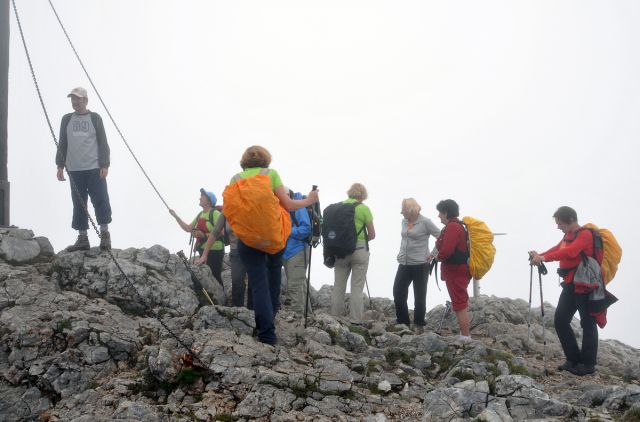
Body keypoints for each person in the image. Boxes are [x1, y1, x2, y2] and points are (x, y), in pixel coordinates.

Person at [226, 146, 318, 346]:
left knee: (258, 284)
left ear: (245, 160)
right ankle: (272, 317)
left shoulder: (235, 179)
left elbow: (230, 210)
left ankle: (266, 334)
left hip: (248, 240)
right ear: (266, 159)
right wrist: (310, 200)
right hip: (274, 238)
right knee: (273, 279)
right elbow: (288, 205)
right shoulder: (271, 174)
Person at [529, 206, 599, 376]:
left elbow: (571, 251)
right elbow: (558, 249)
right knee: (560, 320)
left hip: (585, 285)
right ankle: (573, 359)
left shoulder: (585, 234)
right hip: (570, 284)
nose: (558, 226)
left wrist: (544, 258)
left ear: (570, 220)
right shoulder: (568, 235)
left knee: (588, 323)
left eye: (560, 223)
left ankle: (588, 364)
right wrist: (540, 255)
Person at [56, 87, 112, 251]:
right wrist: (60, 166)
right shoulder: (66, 119)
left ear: (85, 100)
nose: (75, 102)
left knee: (100, 200)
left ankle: (105, 235)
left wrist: (105, 164)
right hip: (74, 169)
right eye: (73, 99)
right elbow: (62, 143)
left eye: (78, 99)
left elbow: (103, 142)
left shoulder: (95, 118)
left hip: (95, 168)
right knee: (78, 203)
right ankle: (82, 238)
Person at [393, 198, 441, 333]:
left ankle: (419, 323)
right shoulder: (404, 221)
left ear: (411, 210)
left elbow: (441, 236)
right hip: (404, 263)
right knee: (398, 291)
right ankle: (402, 321)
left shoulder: (425, 222)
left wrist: (433, 254)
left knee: (419, 294)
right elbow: (405, 239)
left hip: (420, 264)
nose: (401, 212)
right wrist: (400, 253)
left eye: (403, 210)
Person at [331, 183, 375, 324]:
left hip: (341, 250)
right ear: (362, 195)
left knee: (338, 285)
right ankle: (355, 319)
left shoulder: (338, 208)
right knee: (357, 286)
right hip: (359, 250)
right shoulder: (364, 209)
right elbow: (372, 234)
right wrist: (359, 241)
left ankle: (335, 317)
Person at [432, 199, 472, 341]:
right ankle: (465, 335)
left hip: (455, 271)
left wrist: (437, 258)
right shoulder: (455, 226)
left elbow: (447, 250)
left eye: (440, 213)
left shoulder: (452, 227)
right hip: (458, 270)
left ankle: (465, 337)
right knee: (459, 302)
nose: (438, 216)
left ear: (446, 212)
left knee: (459, 304)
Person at [197, 209, 252, 309]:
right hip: (236, 251)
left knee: (254, 281)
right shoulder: (227, 209)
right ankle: (238, 311)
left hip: (254, 250)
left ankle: (254, 312)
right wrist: (204, 254)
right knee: (237, 281)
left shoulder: (251, 203)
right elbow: (215, 232)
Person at [170, 189, 224, 286]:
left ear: (209, 201)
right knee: (207, 277)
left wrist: (204, 235)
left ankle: (220, 298)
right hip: (202, 249)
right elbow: (188, 228)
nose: (200, 198)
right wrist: (176, 217)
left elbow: (222, 232)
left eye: (202, 196)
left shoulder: (215, 213)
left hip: (215, 250)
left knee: (215, 276)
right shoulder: (200, 214)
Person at [283, 189, 312, 315]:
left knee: (294, 286)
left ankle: (298, 318)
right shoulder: (281, 207)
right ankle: (309, 316)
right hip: (285, 251)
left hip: (297, 250)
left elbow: (306, 229)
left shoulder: (297, 207)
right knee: (300, 285)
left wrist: (287, 230)